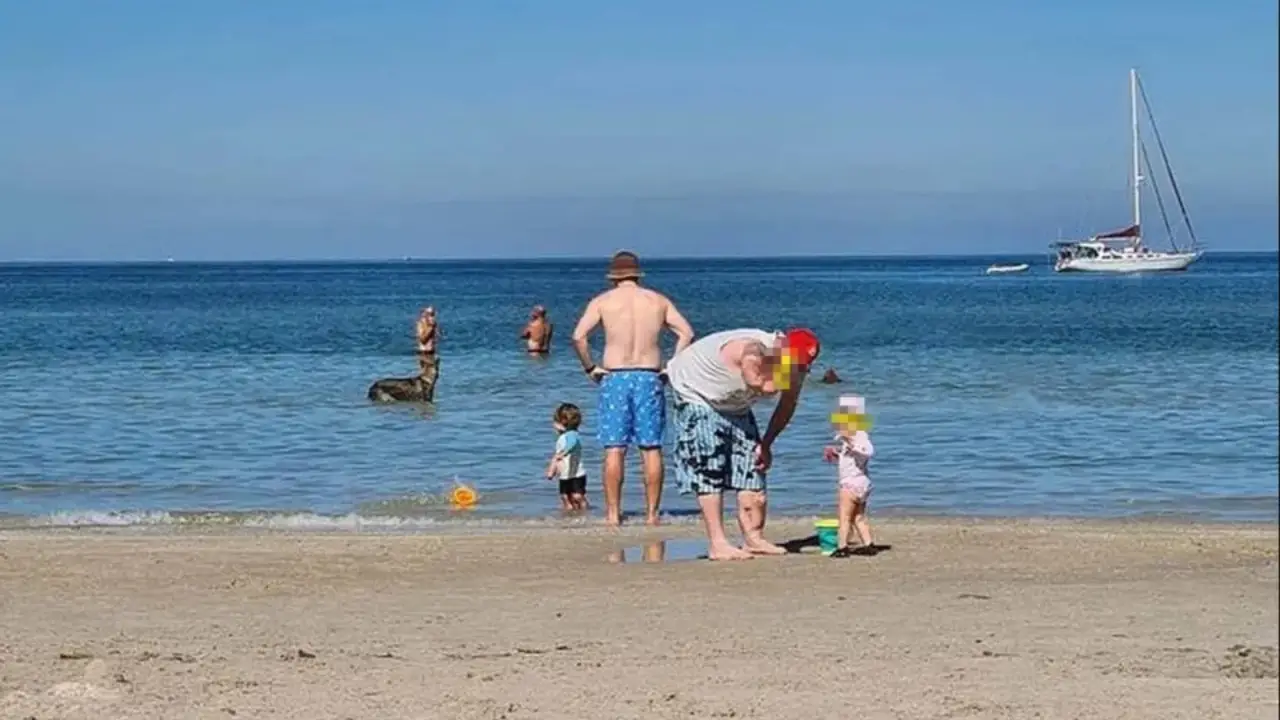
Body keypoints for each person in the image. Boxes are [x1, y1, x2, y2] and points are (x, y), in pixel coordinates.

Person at [665, 327, 821, 561]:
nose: (796, 369)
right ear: (782, 347)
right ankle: (718, 544)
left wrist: (766, 444)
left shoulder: (794, 369)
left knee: (753, 466)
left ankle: (753, 538)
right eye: (794, 362)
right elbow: (755, 379)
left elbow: (787, 406)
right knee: (709, 467)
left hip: (734, 403)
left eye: (802, 366)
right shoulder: (755, 348)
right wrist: (775, 381)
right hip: (696, 391)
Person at [570, 251, 695, 526]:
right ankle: (652, 514)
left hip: (615, 377)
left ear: (613, 277)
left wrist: (590, 367)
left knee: (614, 449)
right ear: (637, 275)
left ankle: (613, 514)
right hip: (649, 376)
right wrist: (671, 365)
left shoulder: (603, 301)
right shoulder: (657, 300)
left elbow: (578, 337)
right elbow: (686, 332)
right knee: (651, 449)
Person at [822, 394, 876, 557]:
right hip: (862, 483)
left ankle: (842, 547)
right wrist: (837, 452)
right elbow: (853, 457)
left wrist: (851, 443)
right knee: (858, 516)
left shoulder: (858, 436)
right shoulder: (854, 437)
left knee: (844, 517)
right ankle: (868, 544)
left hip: (851, 484)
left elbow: (867, 452)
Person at [545, 403, 589, 511]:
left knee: (577, 496)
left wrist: (564, 453)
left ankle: (585, 511)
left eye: (555, 422)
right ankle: (569, 515)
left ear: (562, 422)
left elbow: (572, 444)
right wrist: (552, 470)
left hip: (577, 473)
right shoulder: (563, 437)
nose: (553, 425)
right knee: (565, 497)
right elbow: (556, 457)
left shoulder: (572, 435)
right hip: (564, 474)